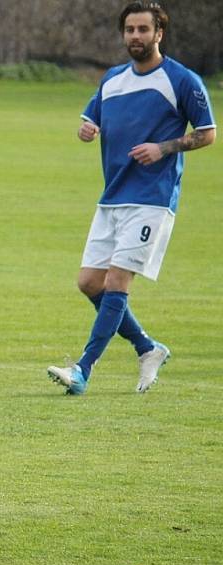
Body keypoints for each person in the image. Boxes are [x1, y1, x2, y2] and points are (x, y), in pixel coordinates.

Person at [47, 2, 215, 395]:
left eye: (143, 29)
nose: (136, 37)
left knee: (118, 280)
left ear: (159, 33)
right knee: (89, 282)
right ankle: (147, 348)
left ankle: (83, 370)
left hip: (152, 198)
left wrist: (165, 147)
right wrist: (86, 131)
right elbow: (91, 120)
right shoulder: (113, 79)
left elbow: (207, 133)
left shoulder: (182, 80)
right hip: (113, 196)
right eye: (130, 30)